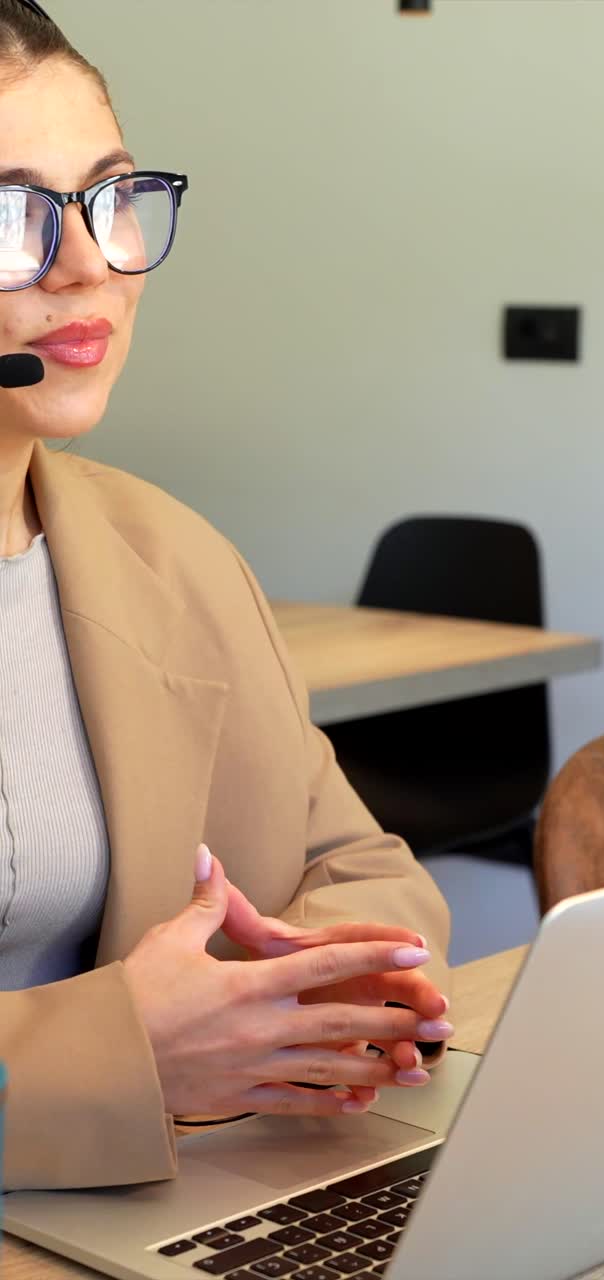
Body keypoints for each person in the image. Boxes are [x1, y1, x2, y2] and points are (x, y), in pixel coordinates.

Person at [0, 0, 452, 1192]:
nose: (88, 264)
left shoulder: (172, 551)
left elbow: (359, 858)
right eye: (8, 218)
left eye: (108, 194)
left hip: (171, 1201)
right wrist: (116, 1057)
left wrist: (307, 983)